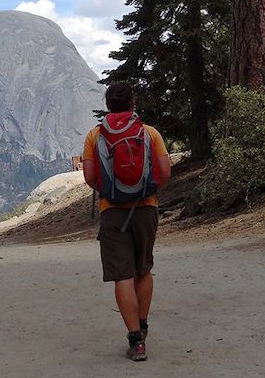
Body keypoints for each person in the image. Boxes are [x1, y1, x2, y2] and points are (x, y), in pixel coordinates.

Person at [82, 81, 171, 361]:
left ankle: (136, 341)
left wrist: (111, 192)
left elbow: (90, 178)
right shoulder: (149, 133)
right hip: (145, 209)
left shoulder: (94, 136)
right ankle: (143, 326)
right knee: (143, 269)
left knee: (123, 275)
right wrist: (148, 192)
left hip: (112, 212)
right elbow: (165, 171)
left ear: (108, 105)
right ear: (133, 104)